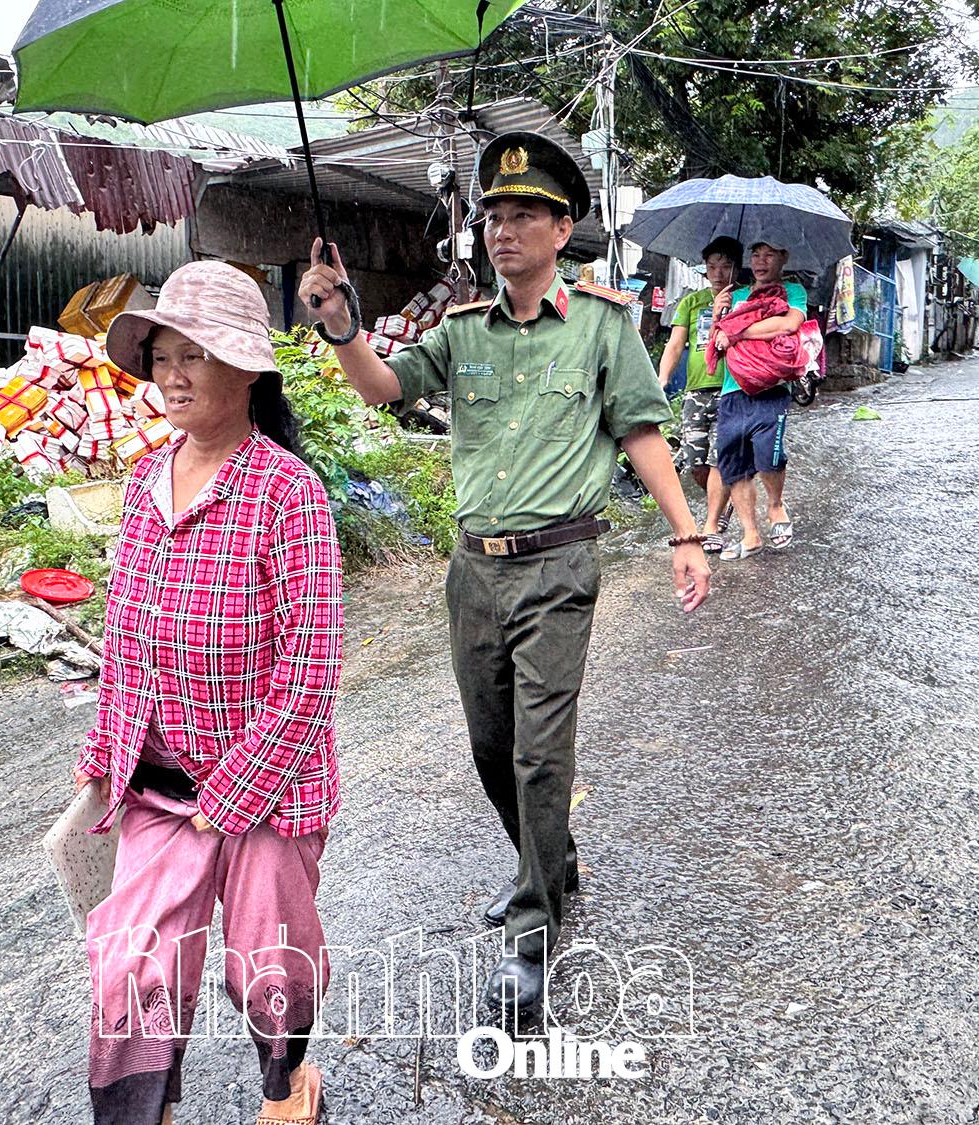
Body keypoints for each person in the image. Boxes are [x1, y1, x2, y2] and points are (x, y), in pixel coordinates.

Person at [298, 131, 711, 1014]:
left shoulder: (601, 325)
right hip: (474, 572)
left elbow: (641, 431)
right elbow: (381, 387)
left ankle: (533, 928)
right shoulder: (461, 333)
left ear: (562, 231)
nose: (503, 229)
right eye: (493, 214)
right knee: (491, 746)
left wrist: (686, 533)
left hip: (559, 565)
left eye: (525, 214)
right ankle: (550, 862)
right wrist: (341, 324)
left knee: (538, 750)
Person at [76, 261, 344, 1125]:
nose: (174, 374)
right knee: (131, 965)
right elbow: (126, 635)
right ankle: (136, 1111)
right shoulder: (142, 484)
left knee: (268, 963)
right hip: (160, 786)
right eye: (163, 356)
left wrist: (229, 799)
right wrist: (104, 752)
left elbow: (311, 669)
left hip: (268, 786)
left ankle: (287, 1084)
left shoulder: (287, 492)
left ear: (248, 370)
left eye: (195, 355)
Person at [711, 240, 801, 560]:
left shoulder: (793, 292)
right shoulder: (734, 297)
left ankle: (775, 506)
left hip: (771, 387)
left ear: (783, 257)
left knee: (768, 455)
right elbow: (717, 343)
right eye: (756, 255)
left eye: (769, 255)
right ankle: (750, 535)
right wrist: (718, 313)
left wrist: (737, 331)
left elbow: (788, 324)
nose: (761, 262)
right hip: (733, 389)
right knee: (734, 465)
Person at [657, 236, 743, 553]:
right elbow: (675, 345)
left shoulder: (745, 299)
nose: (718, 273)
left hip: (732, 389)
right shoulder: (691, 303)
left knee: (720, 458)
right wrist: (662, 379)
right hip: (696, 390)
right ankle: (724, 502)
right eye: (712, 266)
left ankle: (711, 525)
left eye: (726, 266)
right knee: (695, 462)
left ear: (738, 267)